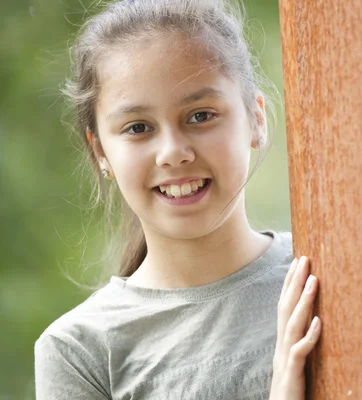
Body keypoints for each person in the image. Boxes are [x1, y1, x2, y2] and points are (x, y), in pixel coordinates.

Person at [33, 0, 321, 399]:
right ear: (100, 152)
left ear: (256, 118)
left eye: (200, 115)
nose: (172, 151)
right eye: (138, 127)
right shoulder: (79, 351)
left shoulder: (318, 278)